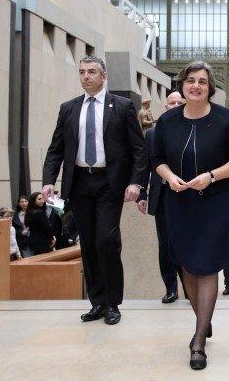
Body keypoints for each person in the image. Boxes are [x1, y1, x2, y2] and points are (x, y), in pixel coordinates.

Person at [152, 61, 229, 370]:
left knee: (207, 267)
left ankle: (198, 340)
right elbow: (156, 159)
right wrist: (169, 177)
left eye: (202, 82)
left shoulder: (226, 120)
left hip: (212, 202)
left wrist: (211, 176)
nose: (196, 85)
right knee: (187, 266)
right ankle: (202, 319)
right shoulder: (167, 122)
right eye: (190, 80)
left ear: (211, 87)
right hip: (178, 202)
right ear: (182, 85)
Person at [42, 55, 147, 326]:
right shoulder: (68, 108)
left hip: (109, 182)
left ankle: (113, 303)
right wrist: (48, 180)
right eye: (82, 72)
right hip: (79, 183)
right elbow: (56, 149)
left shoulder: (122, 106)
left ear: (103, 76)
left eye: (91, 72)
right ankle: (97, 302)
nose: (86, 76)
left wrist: (136, 182)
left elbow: (138, 149)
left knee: (106, 239)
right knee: (87, 243)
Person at [137, 90, 185, 304]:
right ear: (165, 107)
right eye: (171, 102)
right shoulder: (152, 134)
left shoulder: (192, 129)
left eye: (178, 102)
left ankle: (189, 288)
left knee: (185, 243)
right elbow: (145, 166)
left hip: (187, 195)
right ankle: (170, 288)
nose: (174, 105)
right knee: (165, 245)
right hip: (162, 195)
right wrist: (142, 194)